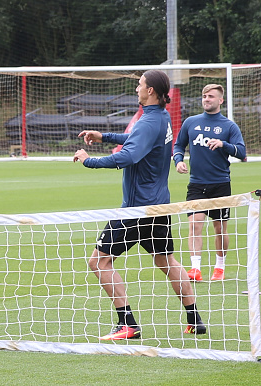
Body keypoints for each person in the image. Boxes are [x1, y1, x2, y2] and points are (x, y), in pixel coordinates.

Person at [73, 70, 206, 340]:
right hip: (159, 207)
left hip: (136, 209)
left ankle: (128, 324)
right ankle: (195, 319)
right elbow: (138, 141)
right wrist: (104, 137)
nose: (136, 89)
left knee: (98, 262)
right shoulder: (162, 117)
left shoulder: (148, 121)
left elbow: (129, 156)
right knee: (165, 259)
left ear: (151, 91)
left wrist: (89, 160)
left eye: (140, 85)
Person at [173, 84, 246, 282]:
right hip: (196, 184)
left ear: (220, 100)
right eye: (204, 96)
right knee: (195, 224)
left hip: (220, 184)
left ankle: (219, 267)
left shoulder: (229, 126)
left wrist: (224, 144)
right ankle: (195, 269)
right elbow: (179, 145)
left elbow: (242, 152)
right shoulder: (190, 122)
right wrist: (178, 160)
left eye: (211, 96)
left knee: (220, 228)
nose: (206, 99)